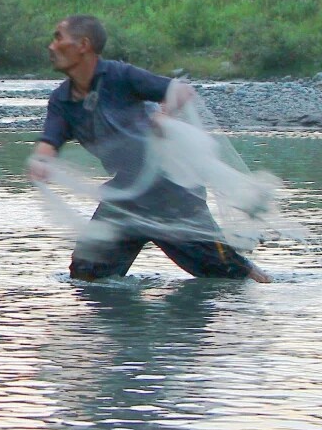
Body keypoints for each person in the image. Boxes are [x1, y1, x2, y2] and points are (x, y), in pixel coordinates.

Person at [30, 15, 271, 283]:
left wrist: (164, 116)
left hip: (171, 193)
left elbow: (181, 91)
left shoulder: (120, 76)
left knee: (227, 270)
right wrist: (41, 161)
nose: (51, 46)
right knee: (87, 272)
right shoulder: (62, 101)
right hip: (125, 198)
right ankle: (115, 323)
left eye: (58, 37)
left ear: (83, 44)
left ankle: (269, 296)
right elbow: (50, 140)